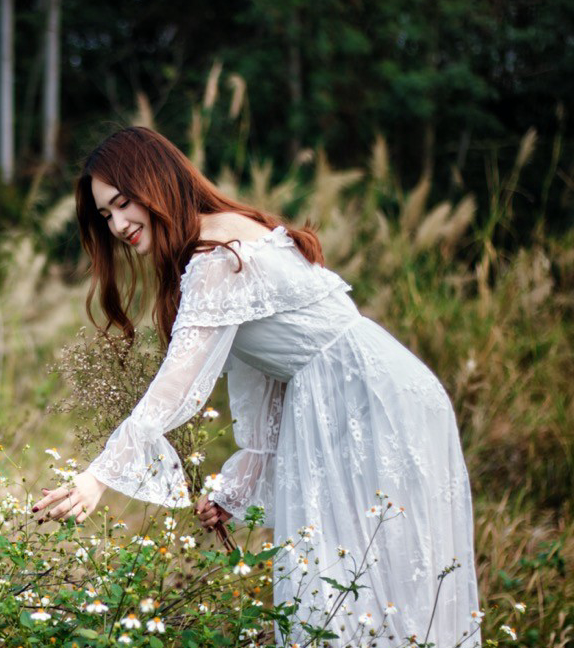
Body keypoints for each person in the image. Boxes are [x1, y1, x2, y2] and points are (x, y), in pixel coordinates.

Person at [31, 127, 480, 644]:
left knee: (371, 581)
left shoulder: (217, 257)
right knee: (357, 583)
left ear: (155, 181)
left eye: (123, 203)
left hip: (371, 402)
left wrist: (96, 478)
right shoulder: (220, 238)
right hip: (368, 391)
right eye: (105, 214)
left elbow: (177, 384)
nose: (118, 224)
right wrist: (242, 480)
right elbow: (269, 369)